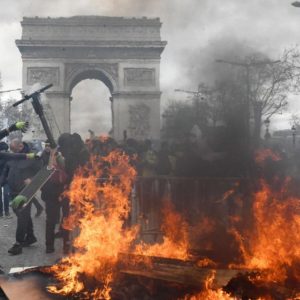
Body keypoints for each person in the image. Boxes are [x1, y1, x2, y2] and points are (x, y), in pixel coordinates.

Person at [5, 138, 43, 255]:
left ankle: (18, 244)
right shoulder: (13, 156)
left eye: (14, 150)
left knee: (22, 216)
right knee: (22, 215)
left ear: (20, 146)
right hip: (13, 191)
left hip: (26, 192)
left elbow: (42, 172)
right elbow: (7, 171)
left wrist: (31, 179)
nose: (13, 152)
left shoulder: (33, 157)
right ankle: (30, 236)